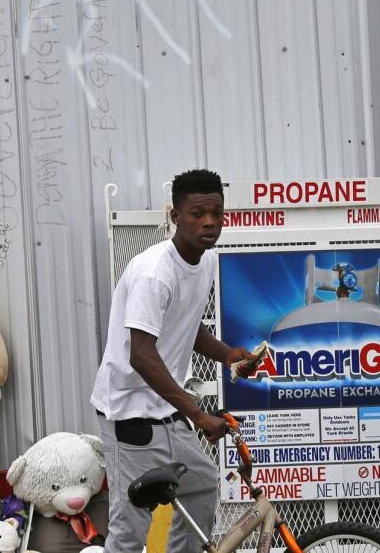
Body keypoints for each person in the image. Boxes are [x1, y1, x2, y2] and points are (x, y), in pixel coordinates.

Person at [91, 168, 262, 553]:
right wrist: (197, 413)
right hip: (129, 416)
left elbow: (184, 323)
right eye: (197, 213)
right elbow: (142, 354)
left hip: (167, 413)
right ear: (175, 217)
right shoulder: (154, 273)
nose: (209, 222)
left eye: (217, 213)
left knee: (201, 483)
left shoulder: (206, 262)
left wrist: (226, 354)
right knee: (130, 532)